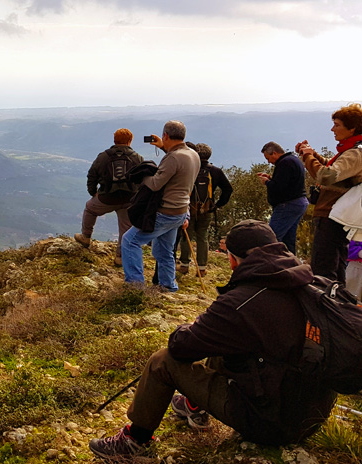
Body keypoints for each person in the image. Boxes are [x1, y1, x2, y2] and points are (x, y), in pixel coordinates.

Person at [90, 220, 336, 461]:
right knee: (228, 343)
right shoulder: (313, 285)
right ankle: (193, 406)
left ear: (232, 260)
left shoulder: (241, 302)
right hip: (313, 415)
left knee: (162, 361)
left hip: (270, 422)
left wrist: (193, 327)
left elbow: (181, 347)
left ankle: (135, 440)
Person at [121, 120, 199, 292]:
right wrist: (164, 147)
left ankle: (135, 286)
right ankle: (168, 286)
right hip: (180, 212)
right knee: (164, 251)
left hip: (165, 212)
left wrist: (141, 174)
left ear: (165, 135)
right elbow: (177, 168)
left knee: (129, 241)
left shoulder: (174, 158)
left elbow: (155, 184)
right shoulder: (193, 154)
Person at [296, 103, 362, 283]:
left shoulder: (355, 153)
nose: (332, 129)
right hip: (334, 216)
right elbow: (336, 169)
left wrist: (309, 157)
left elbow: (327, 176)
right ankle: (339, 306)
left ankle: (327, 307)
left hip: (332, 216)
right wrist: (312, 154)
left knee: (324, 270)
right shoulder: (351, 150)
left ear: (352, 128)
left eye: (337, 124)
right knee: (336, 267)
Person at [75, 128, 143, 266]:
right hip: (128, 199)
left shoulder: (103, 157)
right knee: (125, 228)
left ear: (114, 140)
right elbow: (144, 178)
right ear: (130, 141)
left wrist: (93, 192)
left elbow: (92, 175)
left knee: (90, 208)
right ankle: (120, 257)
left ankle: (86, 237)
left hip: (106, 198)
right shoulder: (137, 158)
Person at [178, 143, 232, 276]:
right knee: (203, 236)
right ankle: (201, 268)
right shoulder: (215, 171)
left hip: (189, 208)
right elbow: (228, 189)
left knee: (186, 236)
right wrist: (218, 204)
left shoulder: (190, 168)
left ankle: (184, 265)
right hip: (207, 209)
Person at [257, 141, 309, 255]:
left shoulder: (284, 163)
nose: (269, 162)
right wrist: (270, 178)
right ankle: (290, 265)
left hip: (288, 204)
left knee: (271, 238)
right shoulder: (293, 160)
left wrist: (267, 182)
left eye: (268, 158)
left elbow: (278, 187)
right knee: (288, 241)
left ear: (274, 153)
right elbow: (288, 182)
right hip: (298, 202)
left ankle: (268, 265)